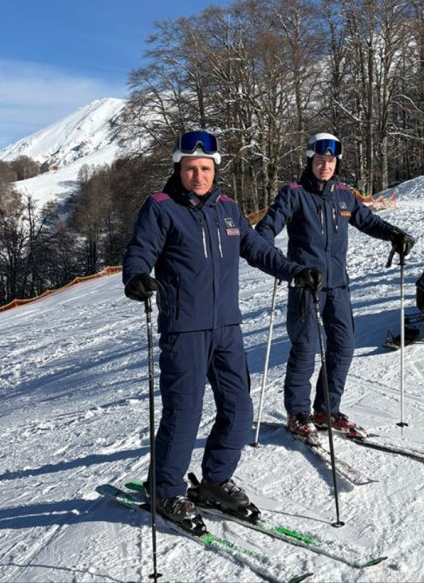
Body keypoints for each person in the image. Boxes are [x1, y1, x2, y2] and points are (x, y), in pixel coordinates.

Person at [122, 130, 322, 532]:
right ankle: (165, 489)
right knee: (184, 412)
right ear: (178, 169)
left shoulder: (228, 209)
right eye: (190, 169)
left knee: (239, 408)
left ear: (215, 169)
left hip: (228, 327)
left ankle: (215, 480)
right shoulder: (161, 207)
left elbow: (258, 250)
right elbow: (139, 250)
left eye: (205, 168)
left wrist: (295, 271)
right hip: (184, 329)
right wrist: (136, 276)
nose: (198, 176)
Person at [255, 132, 415, 444]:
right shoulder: (294, 193)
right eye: (319, 160)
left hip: (338, 285)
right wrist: (277, 260)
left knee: (343, 346)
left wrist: (394, 233)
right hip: (306, 284)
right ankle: (298, 413)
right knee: (306, 348)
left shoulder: (343, 195)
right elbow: (266, 229)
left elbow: (368, 221)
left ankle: (326, 410)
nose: (325, 166)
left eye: (330, 161)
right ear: (309, 160)